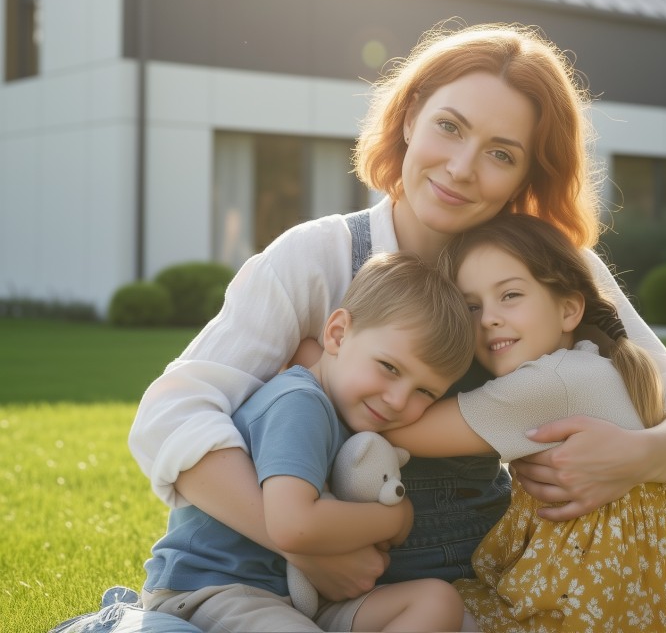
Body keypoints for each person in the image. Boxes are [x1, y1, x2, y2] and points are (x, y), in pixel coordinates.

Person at [120, 22, 666, 628]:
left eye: (501, 154)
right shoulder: (319, 256)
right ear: (411, 116)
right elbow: (173, 414)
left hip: (470, 593)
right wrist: (302, 543)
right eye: (450, 127)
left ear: (527, 176)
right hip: (289, 593)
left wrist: (638, 455)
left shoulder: (547, 271)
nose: (462, 168)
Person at [384, 213, 666, 632]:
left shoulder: (549, 382)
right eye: (471, 306)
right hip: (640, 609)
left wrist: (330, 363)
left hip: (574, 614)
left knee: (426, 606)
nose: (488, 319)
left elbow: (396, 425)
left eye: (510, 295)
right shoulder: (597, 363)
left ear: (569, 309)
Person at [142, 251, 474, 633]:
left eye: (425, 392)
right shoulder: (300, 403)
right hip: (216, 587)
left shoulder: (349, 412)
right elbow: (293, 525)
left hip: (302, 600)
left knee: (438, 603)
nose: (398, 400)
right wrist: (396, 517)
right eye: (389, 367)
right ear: (337, 334)